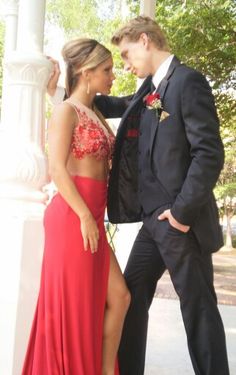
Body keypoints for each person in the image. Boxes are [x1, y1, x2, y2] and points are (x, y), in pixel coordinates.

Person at [48, 16, 229, 375]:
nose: (126, 66)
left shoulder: (187, 82)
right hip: (152, 222)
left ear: (145, 41)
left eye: (128, 55)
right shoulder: (149, 89)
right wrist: (56, 92)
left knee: (198, 308)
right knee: (129, 298)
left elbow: (209, 153)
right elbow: (104, 104)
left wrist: (181, 213)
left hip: (179, 221)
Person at [22, 38, 130, 375]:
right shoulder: (66, 111)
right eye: (107, 70)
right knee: (77, 306)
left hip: (93, 217)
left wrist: (92, 217)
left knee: (120, 296)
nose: (113, 76)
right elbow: (57, 168)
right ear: (86, 72)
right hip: (73, 216)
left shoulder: (92, 111)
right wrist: (84, 215)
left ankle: (101, 369)